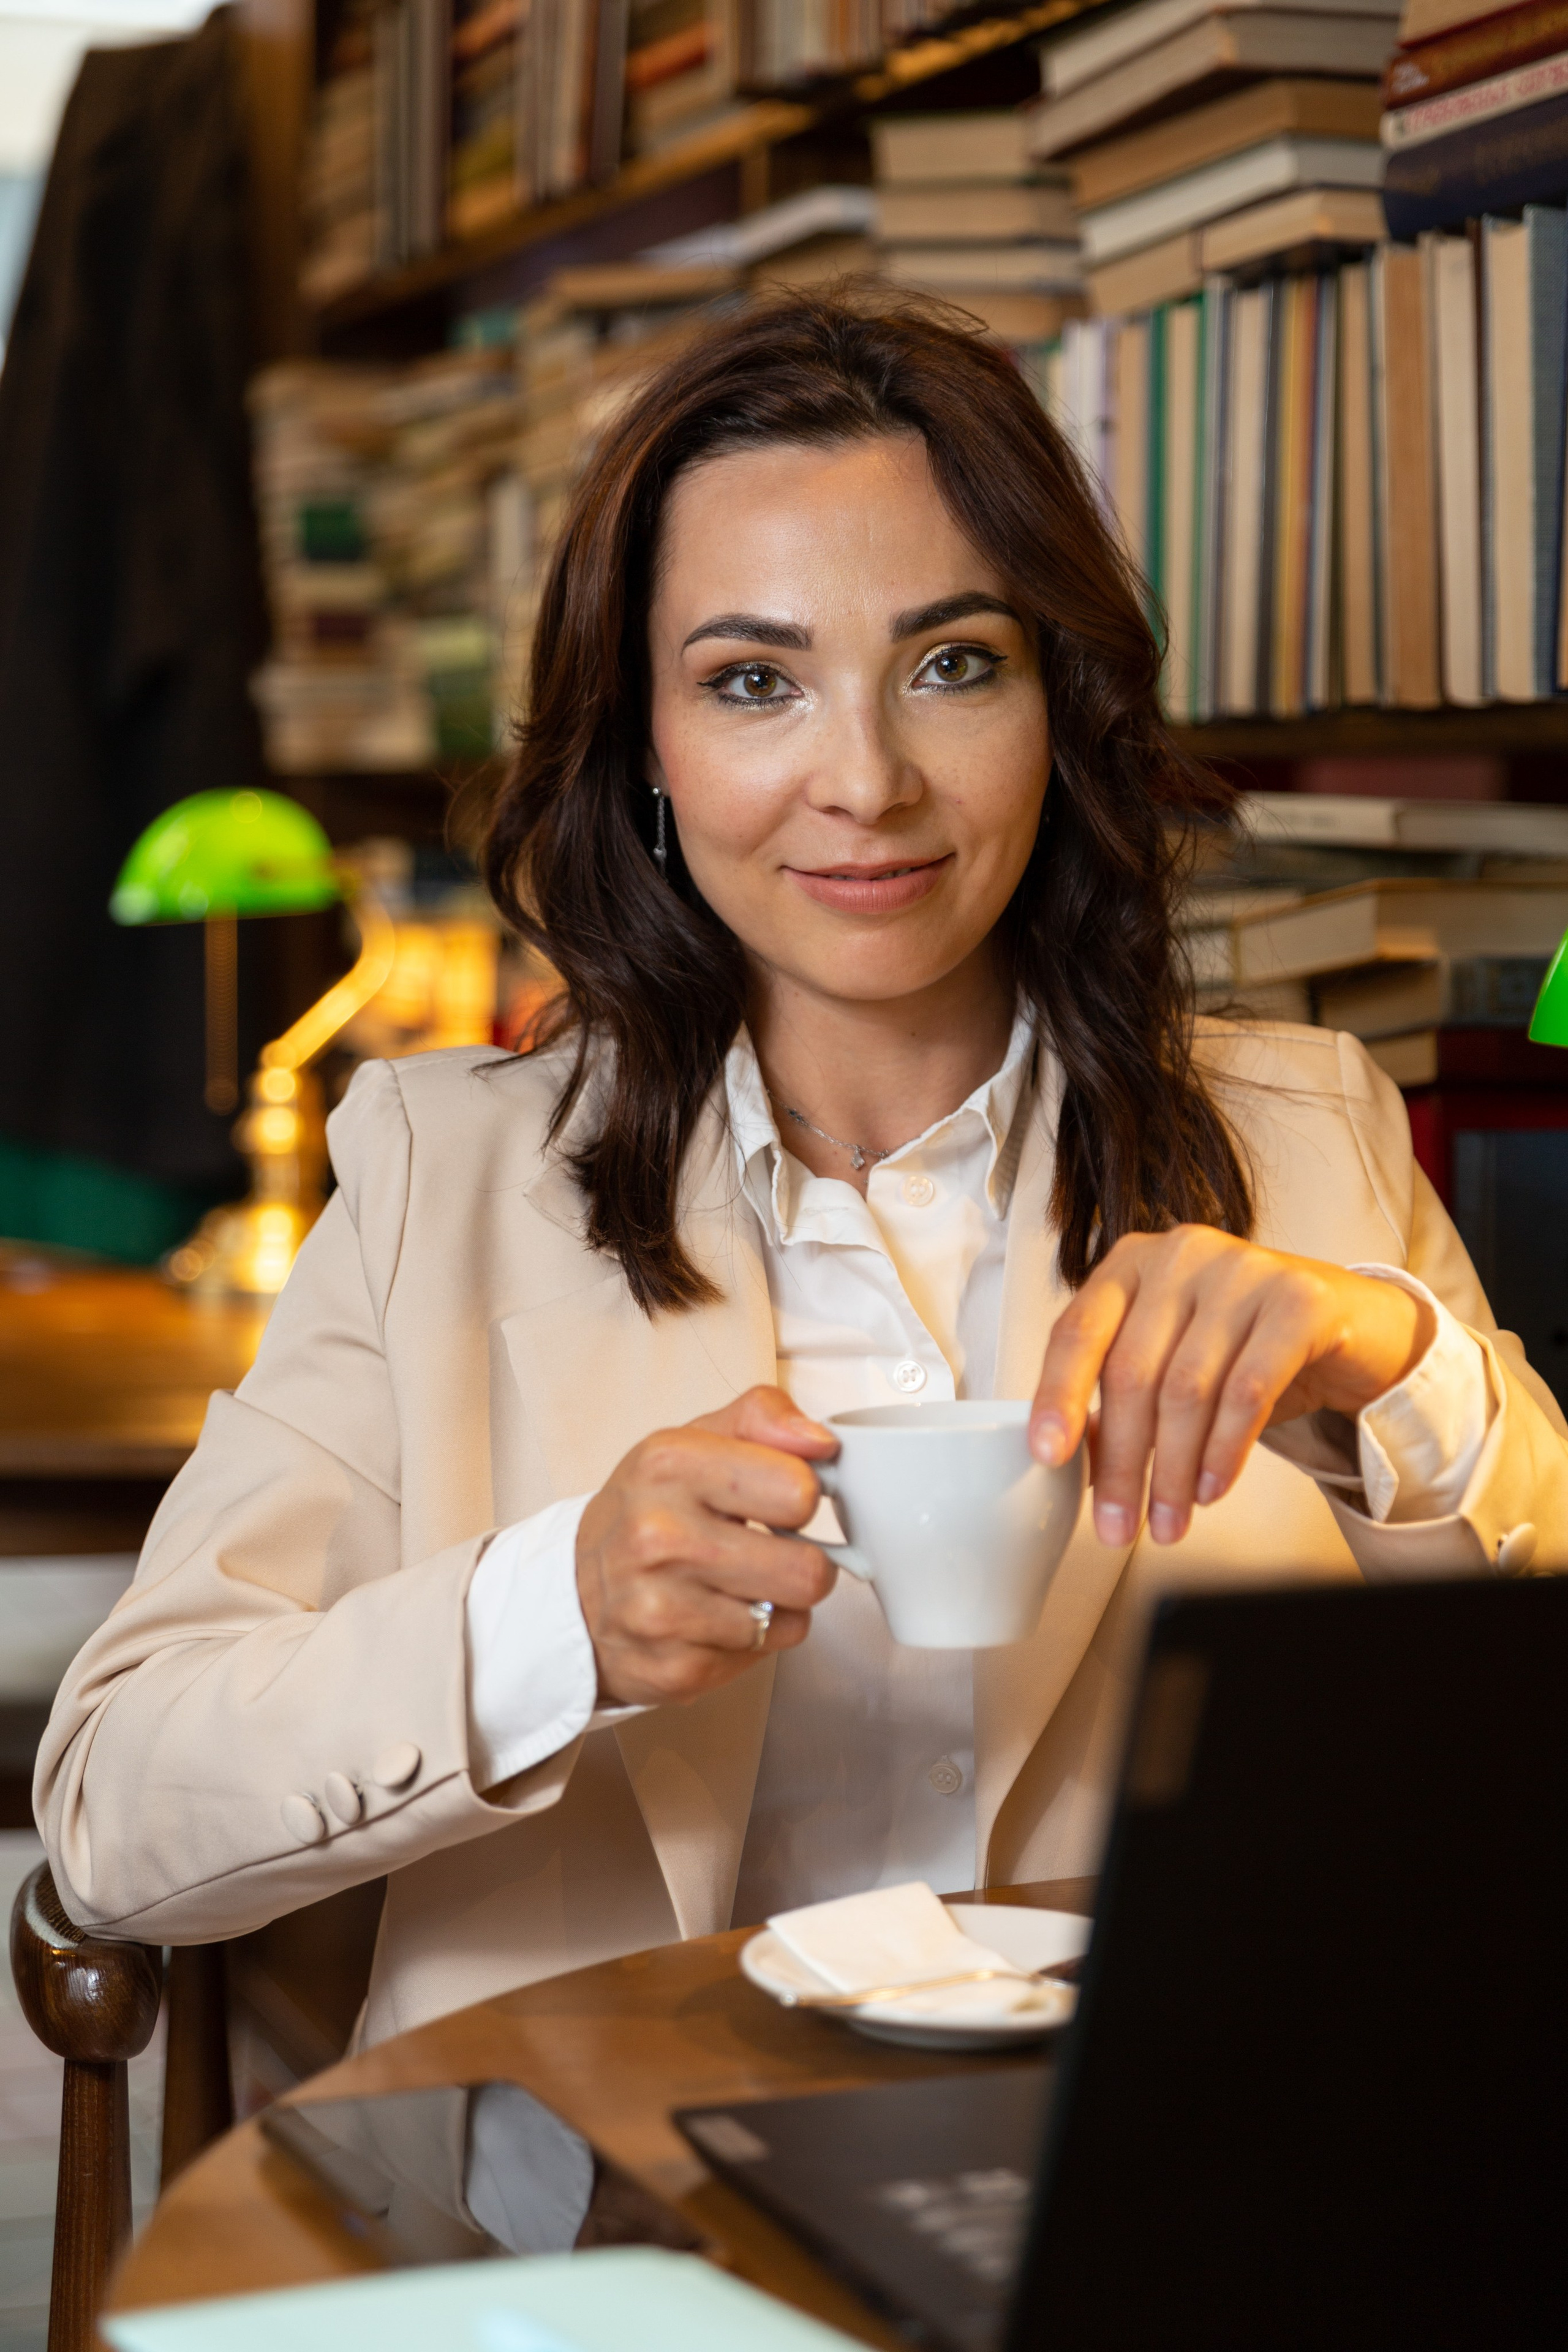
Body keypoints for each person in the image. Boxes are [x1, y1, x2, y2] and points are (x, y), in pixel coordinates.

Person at [37, 295, 1567, 2045]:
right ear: (647, 757)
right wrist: (555, 1619)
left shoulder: (1307, 1134)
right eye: (754, 681)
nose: (866, 781)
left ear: (1060, 711)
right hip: (594, 2233)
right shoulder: (434, 1177)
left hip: (1154, 2177)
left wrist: (1397, 1378)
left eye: (952, 664)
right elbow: (110, 1816)